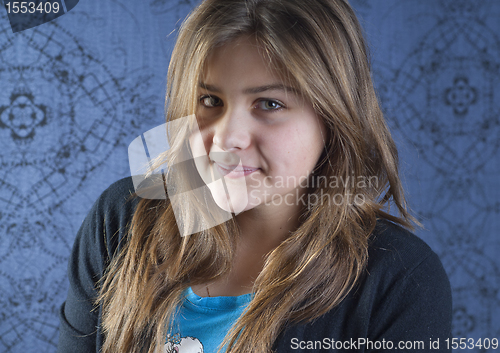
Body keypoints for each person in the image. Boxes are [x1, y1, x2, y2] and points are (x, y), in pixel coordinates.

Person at [57, 0, 452, 352]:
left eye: (269, 103)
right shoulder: (121, 219)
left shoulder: (399, 281)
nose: (227, 138)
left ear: (333, 119)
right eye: (211, 101)